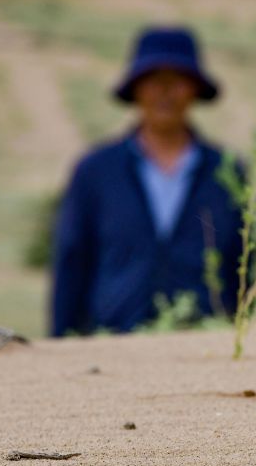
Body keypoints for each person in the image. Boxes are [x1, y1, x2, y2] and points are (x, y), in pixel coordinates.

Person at [50, 25, 243, 336]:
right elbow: (72, 263)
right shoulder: (96, 171)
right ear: (136, 89)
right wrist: (61, 341)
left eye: (177, 80)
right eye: (153, 80)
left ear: (194, 89)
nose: (165, 92)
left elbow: (243, 265)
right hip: (112, 341)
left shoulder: (226, 172)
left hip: (205, 341)